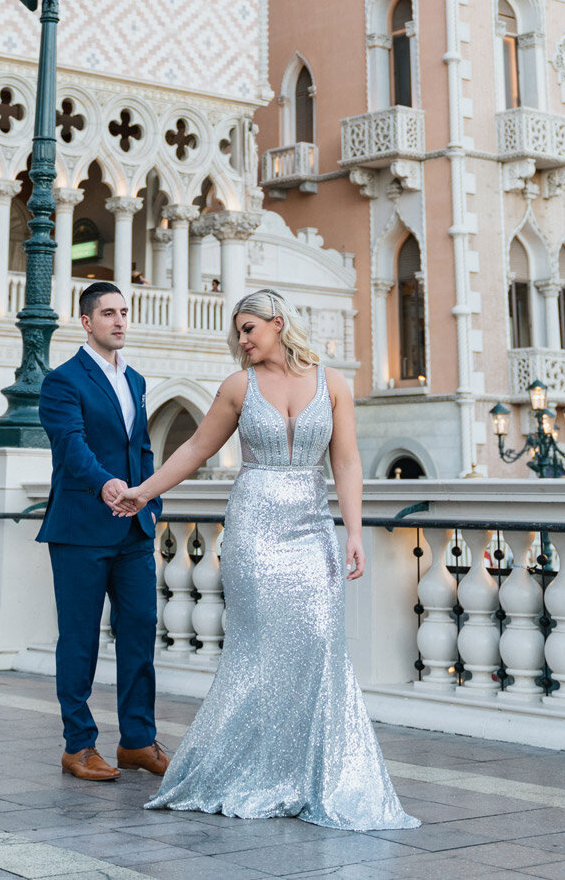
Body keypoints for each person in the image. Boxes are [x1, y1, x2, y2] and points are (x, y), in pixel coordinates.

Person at [110, 288, 419, 834]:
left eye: (249, 328)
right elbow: (194, 450)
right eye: (239, 332)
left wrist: (353, 531)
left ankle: (312, 777)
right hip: (254, 530)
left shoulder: (333, 383)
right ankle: (246, 772)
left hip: (311, 531)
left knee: (320, 648)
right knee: (256, 653)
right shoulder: (238, 387)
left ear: (278, 324)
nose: (242, 340)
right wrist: (143, 491)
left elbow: (346, 462)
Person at [37, 281, 168, 784]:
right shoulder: (62, 381)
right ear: (86, 322)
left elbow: (143, 448)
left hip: (133, 530)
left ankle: (137, 740)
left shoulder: (134, 379)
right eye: (108, 313)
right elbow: (70, 446)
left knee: (139, 636)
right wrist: (106, 485)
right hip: (80, 529)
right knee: (79, 641)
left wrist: (150, 500)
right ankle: (78, 746)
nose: (119, 321)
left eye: (123, 312)